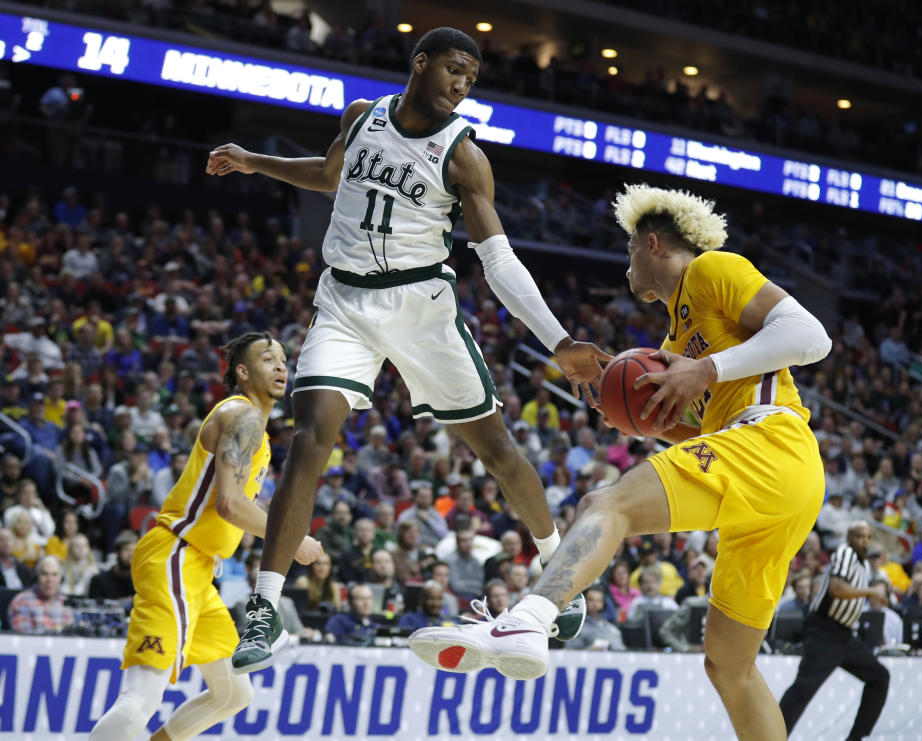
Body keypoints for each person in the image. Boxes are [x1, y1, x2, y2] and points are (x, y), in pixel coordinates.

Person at [211, 26, 610, 671]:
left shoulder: (463, 156)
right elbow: (328, 174)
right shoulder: (362, 116)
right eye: (453, 69)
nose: (461, 85)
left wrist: (558, 340)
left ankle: (557, 564)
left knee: (498, 451)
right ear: (419, 63)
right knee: (309, 435)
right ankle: (265, 610)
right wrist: (256, 162)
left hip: (422, 308)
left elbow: (498, 260)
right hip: (344, 300)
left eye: (471, 79)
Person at [409, 183, 832, 741]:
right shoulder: (677, 333)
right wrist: (630, 401)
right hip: (777, 482)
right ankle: (536, 616)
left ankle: (529, 619)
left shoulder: (711, 271)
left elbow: (811, 335)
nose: (625, 265)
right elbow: (699, 427)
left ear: (651, 243)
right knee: (729, 666)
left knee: (604, 503)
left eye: (628, 250)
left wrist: (703, 371)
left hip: (773, 443)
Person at [89, 333, 323, 741]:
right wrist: (292, 538)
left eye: (285, 360)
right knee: (140, 700)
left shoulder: (258, 431)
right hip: (176, 555)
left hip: (199, 569)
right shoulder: (242, 416)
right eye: (269, 359)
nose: (282, 367)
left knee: (233, 693)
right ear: (243, 372)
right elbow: (230, 505)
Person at [779, 522, 890, 740]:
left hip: (846, 636)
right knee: (803, 689)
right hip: (824, 630)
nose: (864, 541)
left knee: (879, 677)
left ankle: (856, 738)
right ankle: (771, 736)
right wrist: (870, 591)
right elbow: (836, 589)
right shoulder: (844, 553)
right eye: (859, 536)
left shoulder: (865, 566)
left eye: (868, 537)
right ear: (849, 537)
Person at [8, 555, 75, 634]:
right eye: (44, 574)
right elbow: (24, 640)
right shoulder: (21, 602)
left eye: (54, 574)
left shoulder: (67, 603)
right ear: (36, 577)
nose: (49, 580)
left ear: (61, 579)